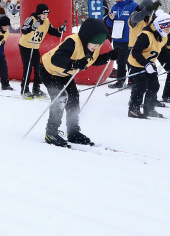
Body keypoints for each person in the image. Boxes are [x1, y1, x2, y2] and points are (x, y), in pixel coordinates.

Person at [40, 18, 118, 147]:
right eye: (95, 43)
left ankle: (73, 131)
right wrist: (74, 64)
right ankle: (51, 132)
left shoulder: (93, 47)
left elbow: (92, 60)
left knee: (73, 98)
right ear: (86, 37)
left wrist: (108, 56)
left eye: (99, 44)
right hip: (48, 70)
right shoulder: (72, 42)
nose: (96, 46)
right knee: (60, 98)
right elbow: (56, 59)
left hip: (65, 73)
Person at [127, 11, 170, 119]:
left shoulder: (163, 37)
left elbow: (163, 53)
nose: (168, 31)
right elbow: (135, 52)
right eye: (166, 29)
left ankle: (149, 108)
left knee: (154, 85)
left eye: (169, 29)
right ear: (159, 27)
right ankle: (133, 109)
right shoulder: (145, 35)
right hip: (137, 63)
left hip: (150, 64)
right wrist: (145, 64)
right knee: (141, 86)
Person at [18, 3, 63, 99]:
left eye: (47, 14)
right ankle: (24, 89)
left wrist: (60, 30)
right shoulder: (31, 19)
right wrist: (33, 27)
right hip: (25, 46)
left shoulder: (46, 21)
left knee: (38, 67)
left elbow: (53, 32)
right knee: (28, 67)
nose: (45, 16)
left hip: (35, 47)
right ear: (38, 14)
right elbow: (24, 30)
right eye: (43, 14)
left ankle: (36, 88)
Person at [104, 0, 136, 88]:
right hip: (117, 37)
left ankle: (132, 81)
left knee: (129, 60)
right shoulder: (114, 7)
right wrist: (111, 18)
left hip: (128, 38)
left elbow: (138, 22)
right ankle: (120, 81)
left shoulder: (133, 6)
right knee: (119, 60)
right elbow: (109, 23)